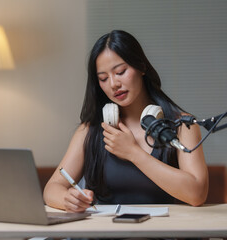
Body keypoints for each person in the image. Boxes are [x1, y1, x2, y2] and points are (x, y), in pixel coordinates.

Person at [43, 30, 208, 212]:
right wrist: (67, 199)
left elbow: (197, 194)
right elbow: (51, 189)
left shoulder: (182, 125)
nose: (113, 84)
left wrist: (133, 153)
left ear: (142, 67)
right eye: (103, 78)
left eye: (120, 72)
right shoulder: (89, 130)